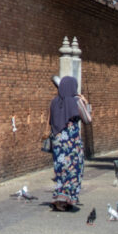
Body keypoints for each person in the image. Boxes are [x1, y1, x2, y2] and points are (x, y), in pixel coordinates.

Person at [45, 75, 88, 211]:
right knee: (73, 170)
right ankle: (67, 199)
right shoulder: (76, 102)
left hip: (57, 143)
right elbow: (88, 119)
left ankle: (59, 198)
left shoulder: (54, 102)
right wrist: (85, 103)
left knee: (60, 171)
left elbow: (51, 121)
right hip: (72, 145)